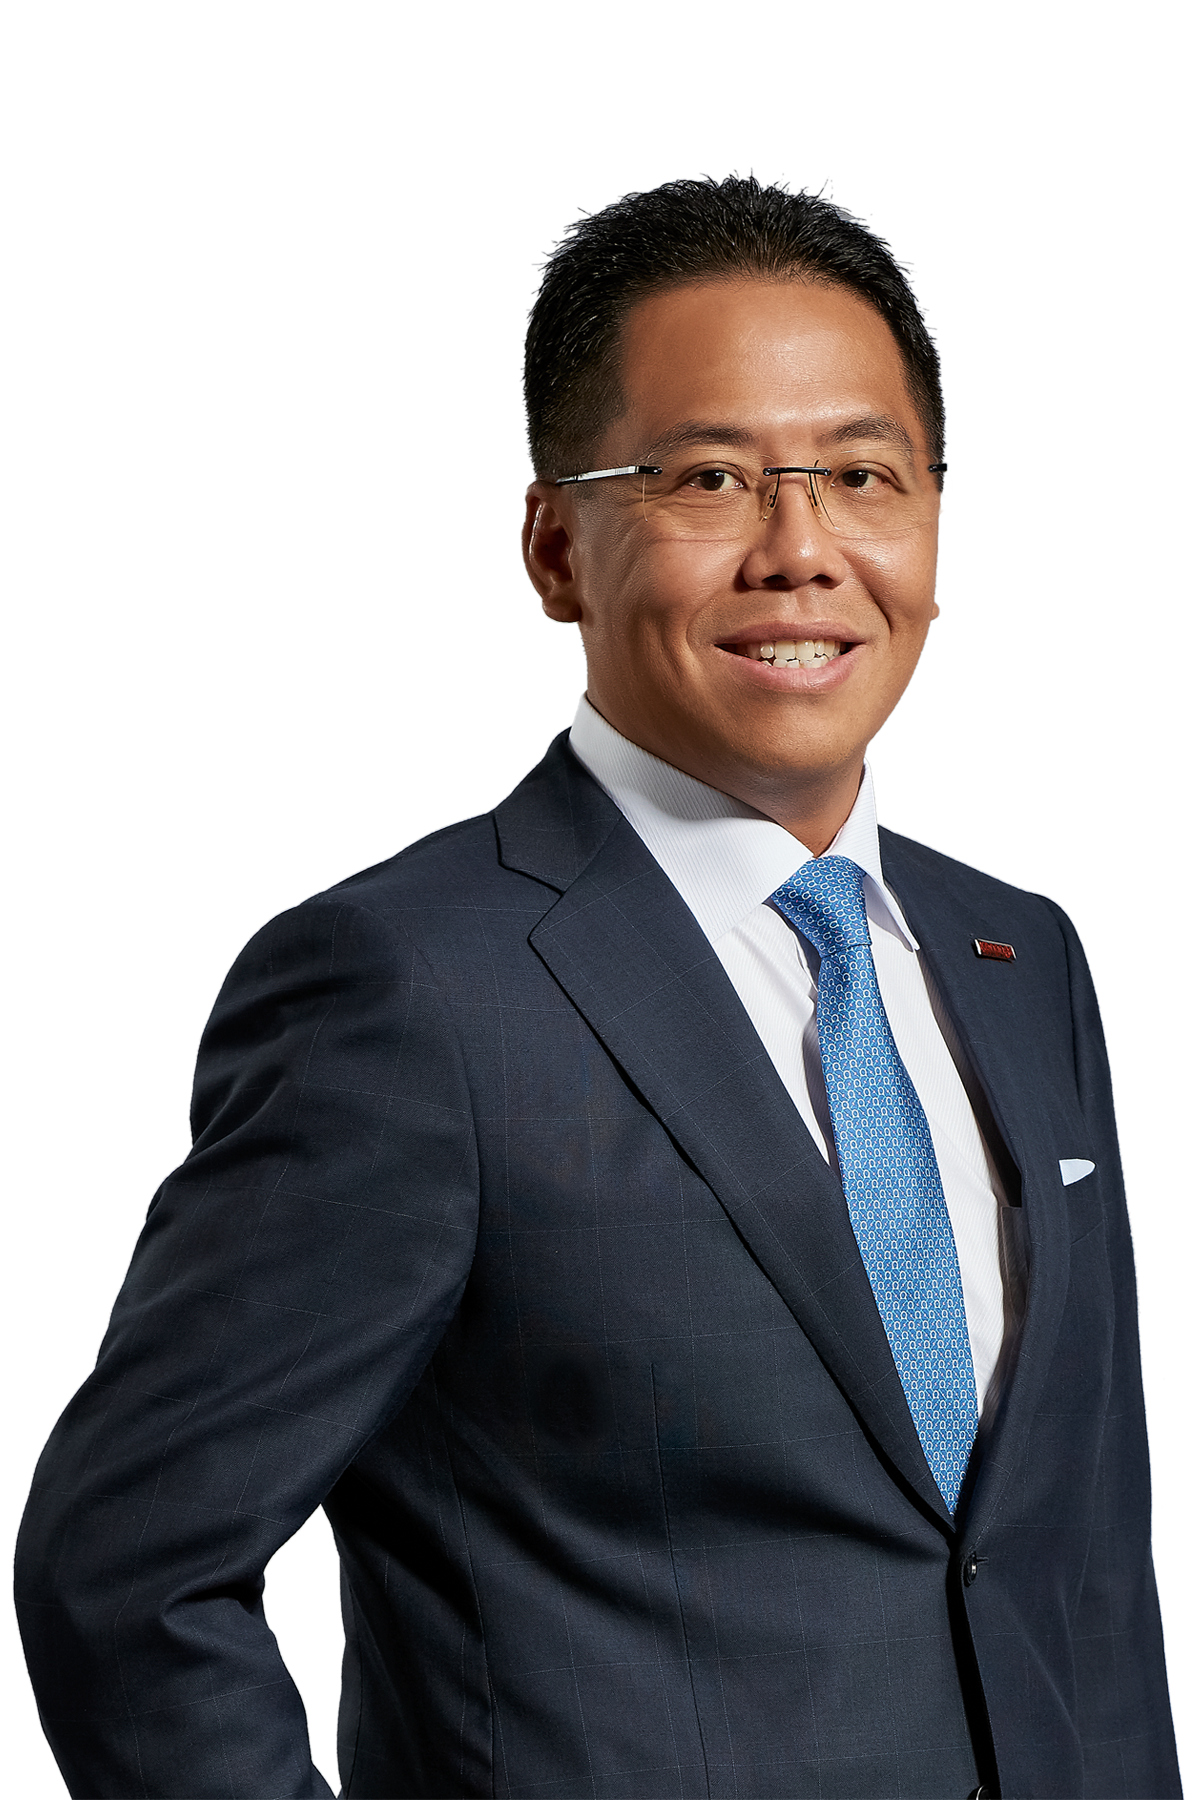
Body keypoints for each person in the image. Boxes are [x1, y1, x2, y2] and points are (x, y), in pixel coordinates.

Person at [16, 176, 1179, 1800]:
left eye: (863, 476)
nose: (802, 551)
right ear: (558, 547)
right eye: (710, 479)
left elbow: (1078, 1570)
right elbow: (129, 1576)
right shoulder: (412, 993)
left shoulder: (1019, 955)